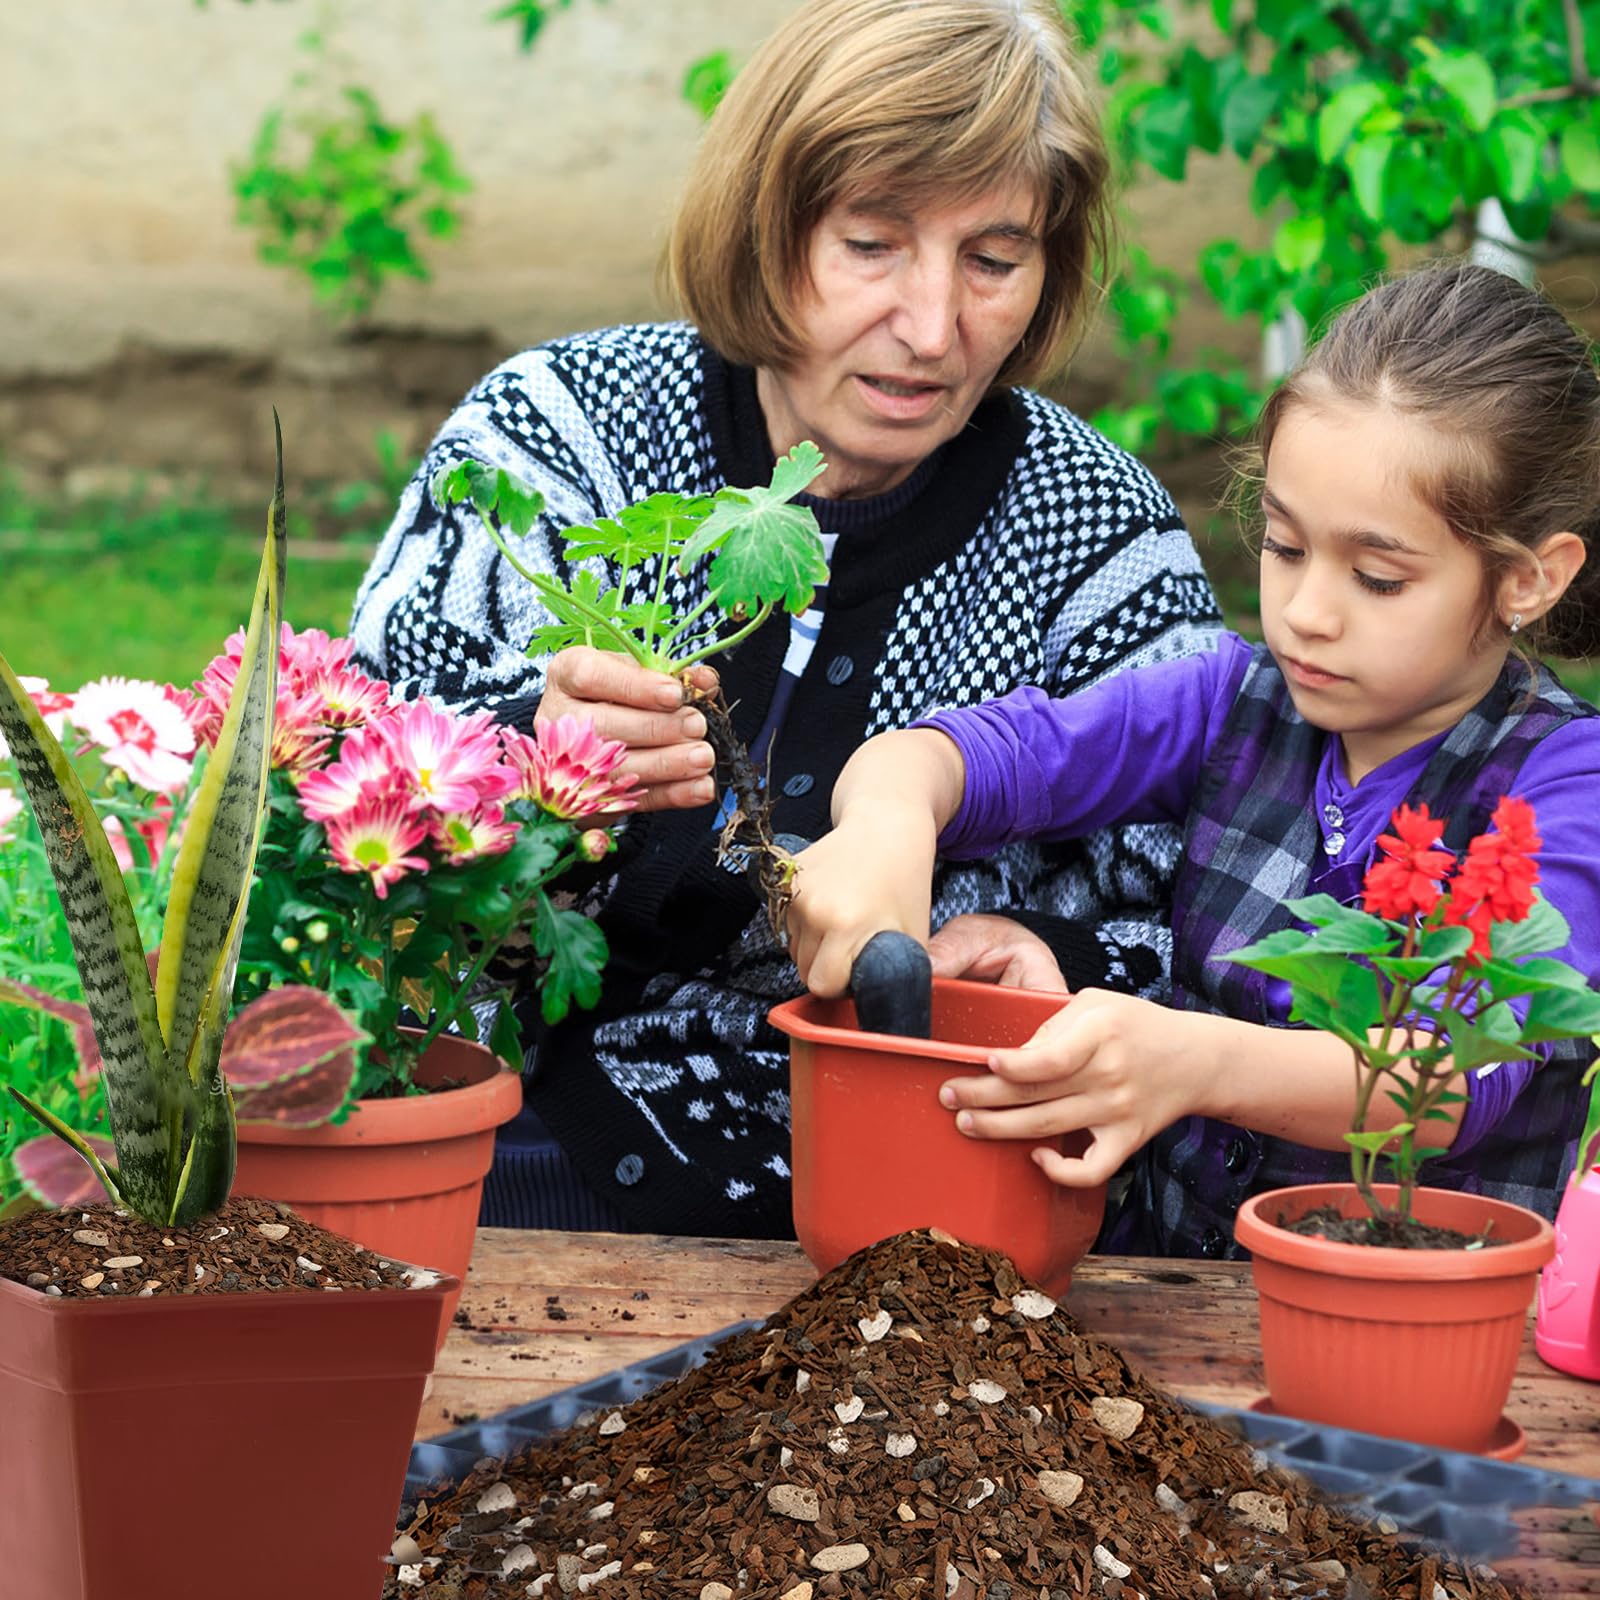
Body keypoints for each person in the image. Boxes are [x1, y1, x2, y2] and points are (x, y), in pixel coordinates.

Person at [348, 0, 1221, 1239]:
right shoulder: (563, 432)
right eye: (871, 244)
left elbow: (1210, 921)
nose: (932, 328)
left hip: (917, 1215)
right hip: (508, 1156)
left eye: (993, 258)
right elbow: (346, 806)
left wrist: (1035, 956)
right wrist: (526, 753)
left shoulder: (1094, 532)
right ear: (765, 229)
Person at [787, 261, 1600, 1258]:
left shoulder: (1564, 787)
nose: (1305, 612)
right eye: (1284, 546)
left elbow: (1451, 1076)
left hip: (1411, 1340)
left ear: (1528, 578)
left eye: (1378, 577)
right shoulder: (1227, 700)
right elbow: (973, 753)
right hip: (1169, 1307)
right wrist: (887, 820)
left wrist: (1196, 1060)